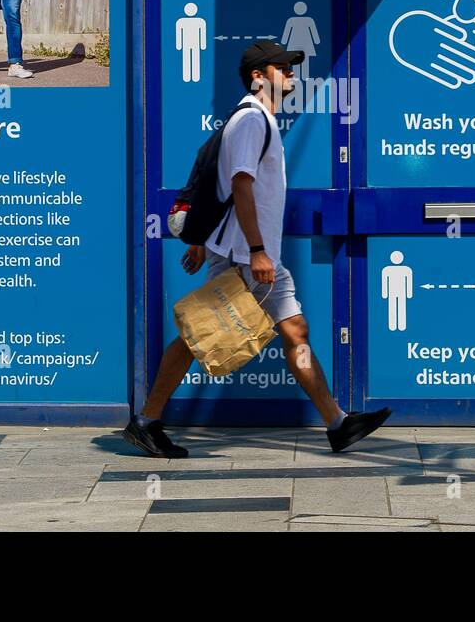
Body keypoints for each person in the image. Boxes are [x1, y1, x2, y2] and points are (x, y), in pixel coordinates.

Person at [124, 41, 392, 458]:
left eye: (291, 67)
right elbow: (240, 185)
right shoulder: (251, 121)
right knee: (201, 334)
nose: (290, 74)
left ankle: (337, 423)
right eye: (282, 67)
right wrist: (257, 250)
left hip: (245, 251)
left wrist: (203, 240)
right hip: (247, 255)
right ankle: (146, 420)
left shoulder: (255, 119)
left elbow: (218, 182)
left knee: (286, 330)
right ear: (257, 76)